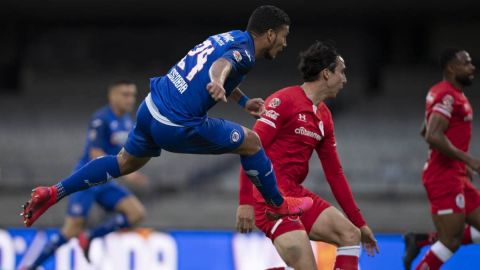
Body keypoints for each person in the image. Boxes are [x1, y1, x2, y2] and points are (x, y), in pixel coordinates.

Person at [21, 5, 313, 228]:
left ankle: (53, 191)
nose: (284, 44)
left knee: (124, 162)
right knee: (251, 142)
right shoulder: (245, 54)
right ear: (271, 34)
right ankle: (276, 203)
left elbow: (221, 64)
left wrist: (243, 101)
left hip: (151, 106)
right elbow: (221, 67)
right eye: (284, 37)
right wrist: (217, 81)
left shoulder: (231, 37)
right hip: (175, 123)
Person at [236, 41, 378, 270]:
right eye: (341, 72)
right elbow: (250, 146)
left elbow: (335, 174)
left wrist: (360, 222)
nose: (345, 79)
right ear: (326, 73)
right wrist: (245, 202)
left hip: (295, 195)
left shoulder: (324, 116)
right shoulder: (284, 101)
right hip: (269, 198)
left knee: (350, 234)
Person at [23, 80, 148, 269]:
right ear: (112, 95)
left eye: (132, 95)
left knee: (136, 213)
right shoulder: (101, 119)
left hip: (106, 181)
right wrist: (128, 174)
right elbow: (95, 154)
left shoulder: (128, 121)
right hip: (87, 181)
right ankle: (29, 266)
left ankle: (90, 236)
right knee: (71, 230)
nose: (130, 99)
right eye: (125, 94)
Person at [404, 48, 480, 270]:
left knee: (452, 237)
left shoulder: (449, 93)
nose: (472, 66)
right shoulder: (447, 95)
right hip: (443, 177)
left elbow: (425, 129)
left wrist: (460, 163)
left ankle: (420, 240)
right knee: (450, 241)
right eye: (466, 63)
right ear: (451, 68)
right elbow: (432, 134)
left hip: (456, 175)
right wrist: (468, 160)